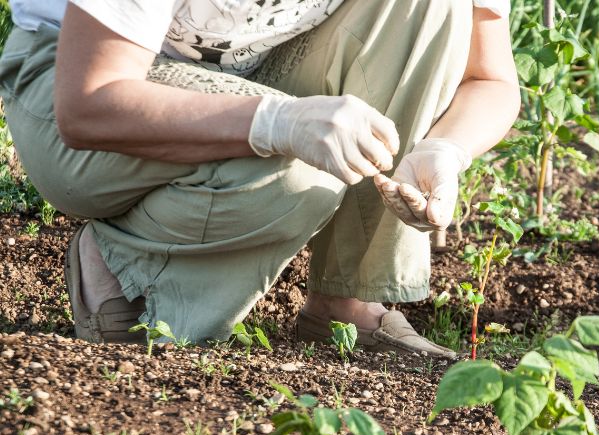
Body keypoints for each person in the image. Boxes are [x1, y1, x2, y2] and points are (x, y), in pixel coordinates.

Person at [0, 0, 520, 358]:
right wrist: (275, 123)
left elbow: (491, 79)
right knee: (296, 175)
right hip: (74, 84)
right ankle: (127, 268)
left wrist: (443, 149)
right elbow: (88, 103)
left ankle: (344, 303)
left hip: (245, 73)